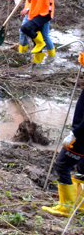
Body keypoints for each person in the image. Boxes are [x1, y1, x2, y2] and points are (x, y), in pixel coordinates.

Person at [42, 52, 84, 217]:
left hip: (82, 133)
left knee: (61, 165)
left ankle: (66, 206)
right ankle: (80, 205)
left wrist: (75, 133)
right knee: (82, 169)